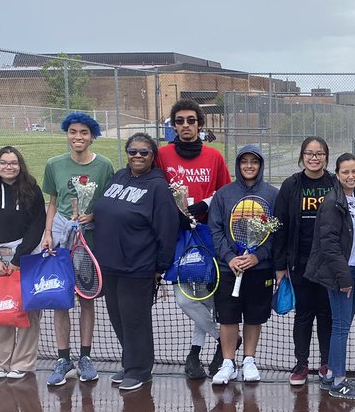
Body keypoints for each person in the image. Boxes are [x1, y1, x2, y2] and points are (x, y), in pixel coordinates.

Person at [90, 133, 178, 393]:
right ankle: (130, 363)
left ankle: (140, 370)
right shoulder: (119, 176)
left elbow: (167, 229)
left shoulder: (158, 187)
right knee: (117, 317)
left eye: (144, 152)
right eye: (133, 151)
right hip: (109, 264)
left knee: (134, 319)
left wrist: (159, 267)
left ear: (153, 157)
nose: (137, 156)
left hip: (138, 266)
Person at [156, 99, 231, 380]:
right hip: (177, 235)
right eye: (179, 121)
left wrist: (205, 204)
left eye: (191, 120)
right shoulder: (162, 155)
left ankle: (194, 353)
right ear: (173, 126)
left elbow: (225, 193)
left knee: (204, 294)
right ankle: (228, 339)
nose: (185, 125)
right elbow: (155, 187)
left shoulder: (214, 156)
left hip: (207, 232)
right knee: (185, 298)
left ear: (200, 124)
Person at [40, 112, 115, 386]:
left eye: (84, 132)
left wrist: (92, 216)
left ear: (92, 136)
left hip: (90, 243)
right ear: (67, 134)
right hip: (61, 239)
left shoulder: (104, 166)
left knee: (86, 299)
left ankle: (85, 357)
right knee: (61, 300)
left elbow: (108, 203)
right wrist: (48, 234)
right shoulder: (54, 165)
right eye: (73, 132)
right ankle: (63, 359)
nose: (78, 137)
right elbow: (52, 201)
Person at [305, 153, 355, 400]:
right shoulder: (331, 202)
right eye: (345, 172)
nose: (351, 176)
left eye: (354, 171)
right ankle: (338, 380)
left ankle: (329, 377)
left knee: (342, 326)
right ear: (337, 175)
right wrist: (344, 277)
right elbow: (329, 244)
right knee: (341, 327)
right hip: (341, 274)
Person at [209, 145, 280, 385]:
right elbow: (215, 230)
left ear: (260, 165)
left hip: (259, 270)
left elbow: (275, 233)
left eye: (254, 162)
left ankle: (249, 360)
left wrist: (257, 256)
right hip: (229, 269)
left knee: (253, 316)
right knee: (228, 317)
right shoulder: (223, 194)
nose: (249, 166)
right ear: (238, 165)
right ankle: (228, 362)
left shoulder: (272, 195)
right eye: (244, 161)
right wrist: (230, 258)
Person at [0, 146, 47, 380]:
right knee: (0, 309)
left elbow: (37, 225)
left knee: (29, 311)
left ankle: (23, 364)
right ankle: (1, 364)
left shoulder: (32, 190)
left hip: (25, 258)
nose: (9, 166)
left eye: (14, 162)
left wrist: (19, 259)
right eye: (4, 162)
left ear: (20, 165)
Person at [273, 137, 334, 386]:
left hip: (329, 262)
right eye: (309, 153)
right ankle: (301, 363)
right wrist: (279, 267)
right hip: (300, 262)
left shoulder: (334, 183)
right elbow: (280, 226)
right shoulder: (291, 185)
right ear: (302, 156)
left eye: (319, 154)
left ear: (326, 157)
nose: (314, 158)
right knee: (304, 315)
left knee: (327, 314)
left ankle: (327, 362)